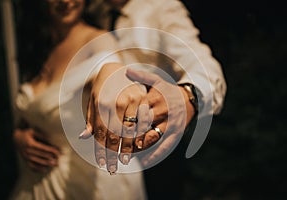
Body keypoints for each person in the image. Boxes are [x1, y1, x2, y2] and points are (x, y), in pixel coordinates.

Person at [82, 0, 227, 199]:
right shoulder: (89, 13)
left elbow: (202, 64)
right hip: (95, 151)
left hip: (153, 142)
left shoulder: (161, 7)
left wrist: (188, 95)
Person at [9, 0, 147, 199]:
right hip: (38, 182)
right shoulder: (39, 46)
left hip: (90, 182)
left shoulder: (98, 41)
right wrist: (20, 135)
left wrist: (113, 75)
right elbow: (34, 110)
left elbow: (111, 69)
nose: (65, 1)